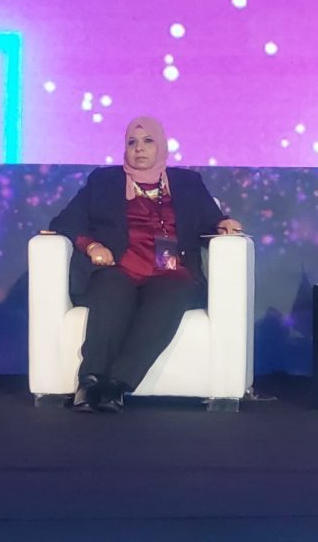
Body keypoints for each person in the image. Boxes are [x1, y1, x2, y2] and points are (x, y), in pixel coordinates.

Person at [49, 116, 242, 413]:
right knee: (111, 292)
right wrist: (93, 246)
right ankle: (89, 382)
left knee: (172, 295)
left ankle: (117, 385)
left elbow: (209, 221)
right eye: (132, 142)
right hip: (119, 267)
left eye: (148, 141)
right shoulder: (104, 181)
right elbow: (66, 221)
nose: (139, 148)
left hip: (171, 271)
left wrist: (223, 224)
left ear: (161, 146)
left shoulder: (188, 183)